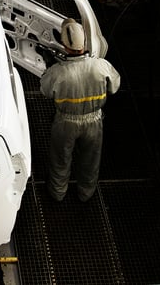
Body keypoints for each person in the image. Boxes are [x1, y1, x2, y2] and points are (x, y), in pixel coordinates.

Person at [40, 19, 120, 202]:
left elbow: (45, 90)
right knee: (90, 160)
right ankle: (86, 193)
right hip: (94, 121)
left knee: (60, 159)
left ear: (64, 45)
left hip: (65, 123)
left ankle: (58, 193)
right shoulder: (101, 66)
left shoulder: (58, 72)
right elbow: (115, 86)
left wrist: (50, 66)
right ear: (85, 42)